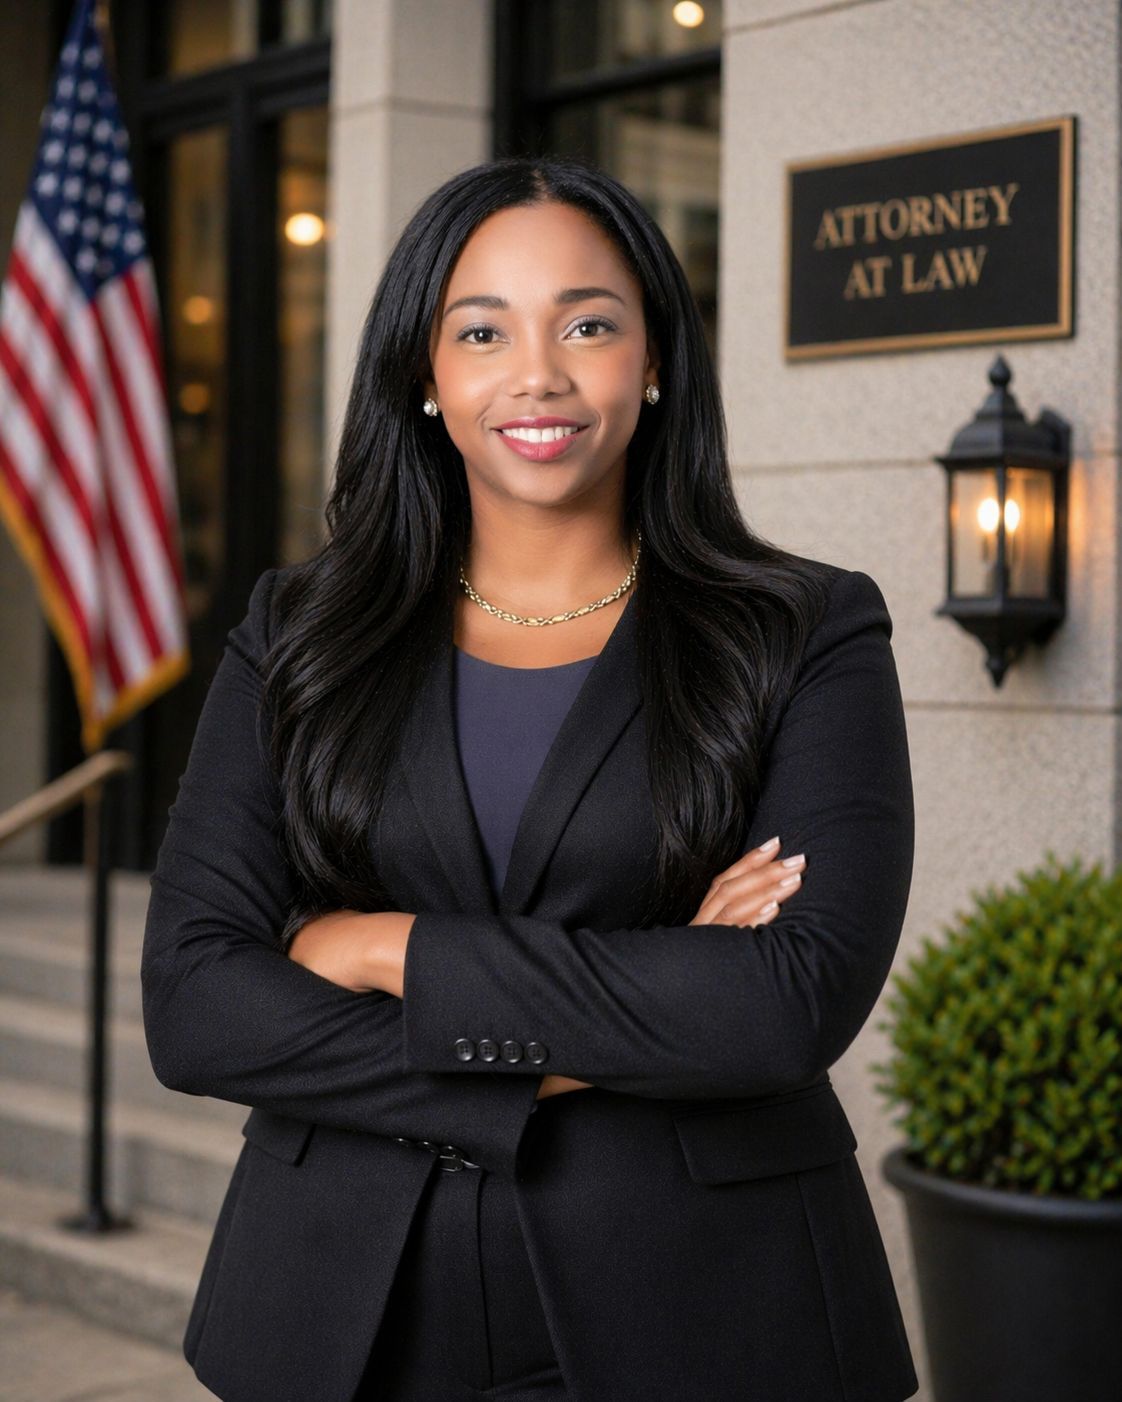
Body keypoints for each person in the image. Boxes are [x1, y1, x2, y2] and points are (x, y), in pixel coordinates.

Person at [141, 154, 920, 1402]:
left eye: (591, 324)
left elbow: (782, 1002)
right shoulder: (298, 632)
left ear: (655, 361)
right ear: (426, 376)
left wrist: (377, 943)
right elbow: (194, 1001)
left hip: (709, 1305)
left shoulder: (806, 629)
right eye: (483, 329)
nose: (539, 373)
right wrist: (630, 1013)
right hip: (342, 1315)